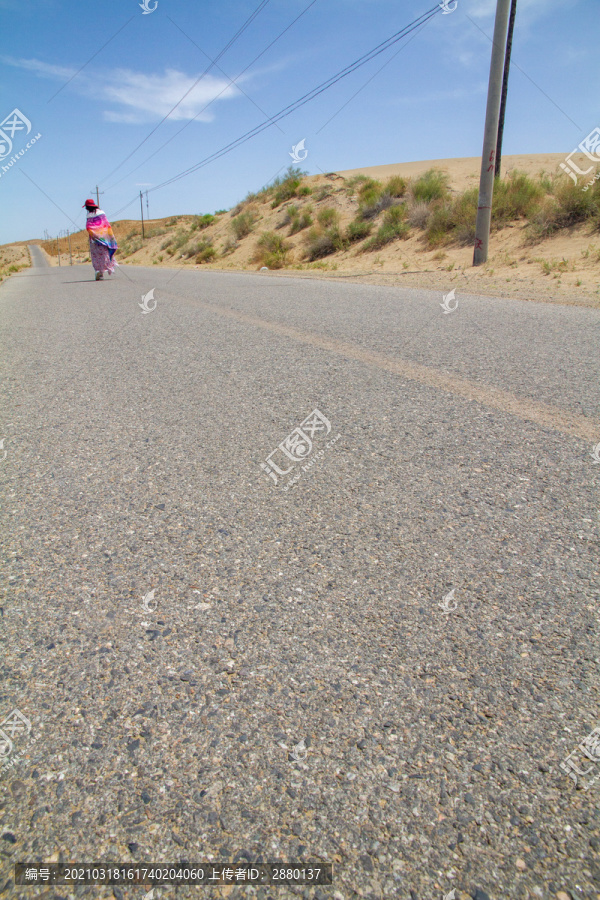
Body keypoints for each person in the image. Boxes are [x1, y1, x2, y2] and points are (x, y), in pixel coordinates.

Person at [83, 199, 118, 281]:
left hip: (94, 239)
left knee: (95, 256)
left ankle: (99, 271)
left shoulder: (89, 216)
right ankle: (106, 269)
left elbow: (88, 227)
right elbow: (106, 225)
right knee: (104, 254)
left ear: (87, 208)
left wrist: (94, 234)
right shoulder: (102, 213)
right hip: (104, 238)